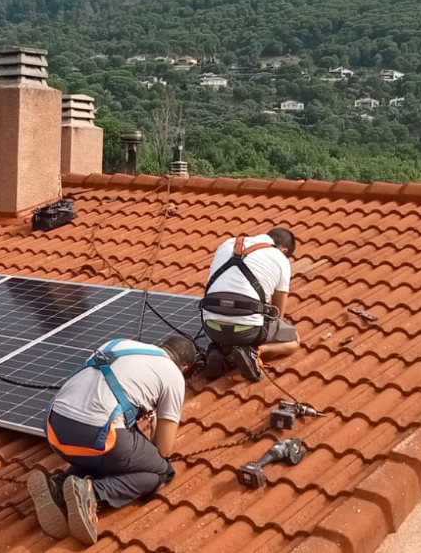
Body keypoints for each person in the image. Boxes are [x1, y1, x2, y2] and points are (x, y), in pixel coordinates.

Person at [26, 335, 197, 545]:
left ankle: (58, 487)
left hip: (55, 430)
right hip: (98, 436)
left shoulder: (119, 344)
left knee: (113, 452)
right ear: (185, 367)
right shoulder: (174, 375)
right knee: (160, 470)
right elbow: (164, 448)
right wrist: (154, 429)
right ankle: (93, 493)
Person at [198, 227, 301, 382]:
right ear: (284, 250)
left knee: (222, 319)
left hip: (211, 328)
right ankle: (255, 352)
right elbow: (278, 314)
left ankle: (215, 350)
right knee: (294, 341)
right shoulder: (280, 259)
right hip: (247, 330)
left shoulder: (227, 243)